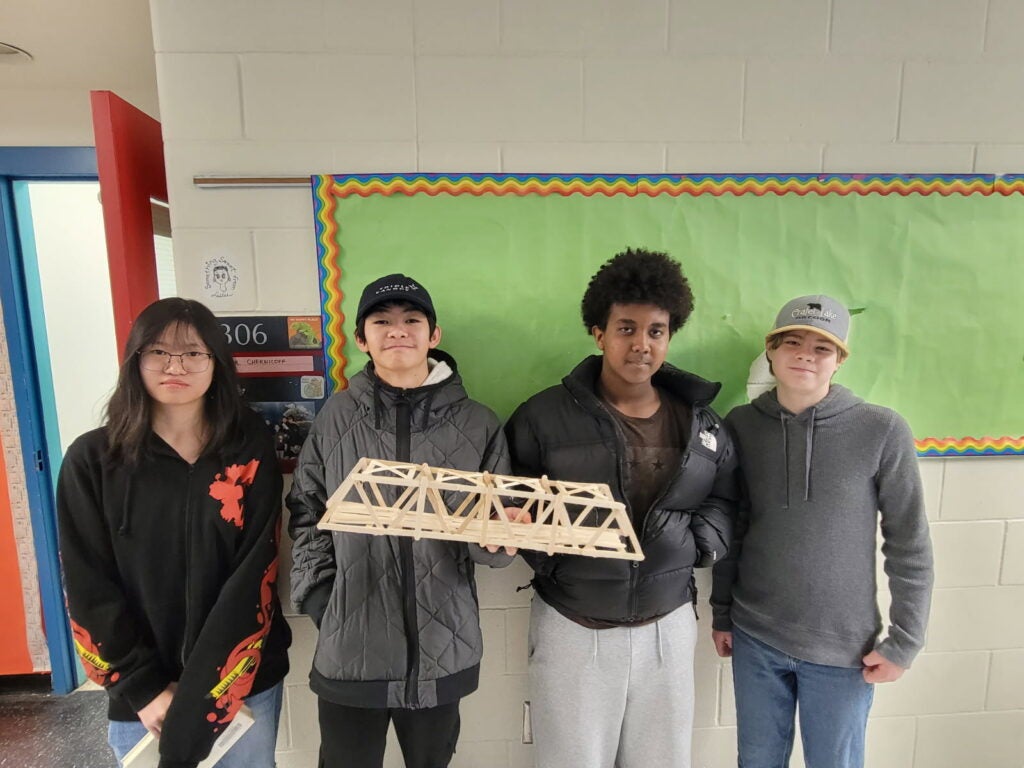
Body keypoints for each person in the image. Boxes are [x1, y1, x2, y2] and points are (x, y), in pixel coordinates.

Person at [505, 247, 738, 768]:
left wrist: (700, 546)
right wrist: (553, 560)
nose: (641, 344)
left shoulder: (700, 422)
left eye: (655, 331)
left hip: (668, 622)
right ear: (598, 332)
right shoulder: (542, 416)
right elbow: (511, 499)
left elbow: (724, 494)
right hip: (573, 621)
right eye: (626, 328)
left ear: (670, 335)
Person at [287, 273, 523, 768]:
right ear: (361, 339)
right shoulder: (333, 417)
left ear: (433, 336)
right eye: (382, 321)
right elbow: (307, 511)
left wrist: (500, 541)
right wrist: (321, 597)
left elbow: (490, 531)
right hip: (349, 645)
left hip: (444, 643)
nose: (398, 330)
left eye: (412, 320)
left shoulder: (479, 423)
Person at [56, 298, 292, 768]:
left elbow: (255, 576)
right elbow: (87, 586)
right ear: (135, 361)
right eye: (158, 352)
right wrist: (144, 689)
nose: (175, 366)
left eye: (193, 353)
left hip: (241, 688)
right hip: (142, 696)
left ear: (216, 364)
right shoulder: (94, 461)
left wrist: (215, 693)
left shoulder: (248, 452)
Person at [710, 295, 934, 768]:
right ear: (770, 350)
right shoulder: (742, 426)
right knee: (756, 759)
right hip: (756, 636)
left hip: (844, 649)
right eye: (792, 341)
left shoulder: (882, 430)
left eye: (822, 347)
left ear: (839, 360)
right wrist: (723, 612)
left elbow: (908, 543)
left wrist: (905, 642)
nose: (805, 354)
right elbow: (734, 524)